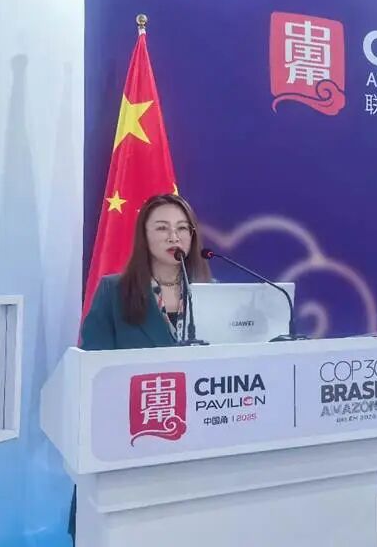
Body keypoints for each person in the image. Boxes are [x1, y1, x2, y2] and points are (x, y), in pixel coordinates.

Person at [68, 193, 212, 543]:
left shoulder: (212, 294)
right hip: (130, 438)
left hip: (196, 441)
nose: (173, 236)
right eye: (161, 228)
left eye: (182, 228)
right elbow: (93, 369)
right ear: (144, 236)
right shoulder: (114, 291)